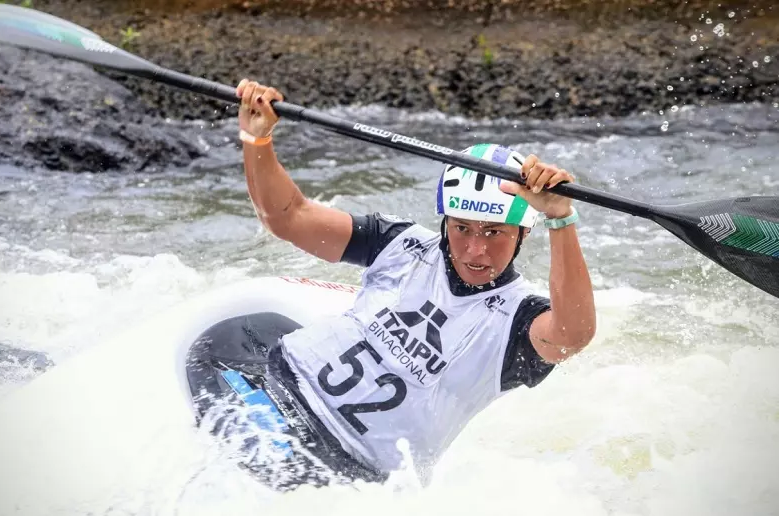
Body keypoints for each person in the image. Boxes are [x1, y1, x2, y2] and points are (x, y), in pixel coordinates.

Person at [185, 79, 597, 490]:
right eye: (462, 228)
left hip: (353, 470)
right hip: (275, 378)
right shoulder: (399, 243)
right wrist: (257, 139)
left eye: (493, 233)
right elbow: (289, 217)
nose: (475, 250)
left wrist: (561, 218)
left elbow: (572, 335)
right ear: (445, 221)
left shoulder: (517, 322)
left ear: (523, 233)